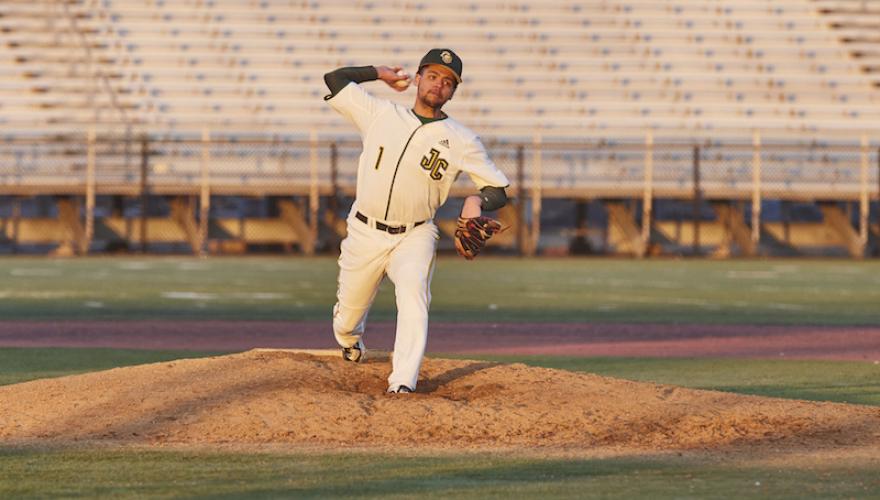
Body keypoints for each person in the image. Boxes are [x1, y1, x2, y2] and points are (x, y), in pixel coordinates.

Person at [323, 48, 509, 394]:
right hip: (364, 231)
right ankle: (350, 339)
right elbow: (335, 80)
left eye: (448, 82)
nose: (439, 84)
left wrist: (474, 201)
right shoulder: (380, 114)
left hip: (415, 234)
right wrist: (379, 73)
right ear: (418, 78)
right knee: (346, 321)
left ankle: (403, 381)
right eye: (433, 76)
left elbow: (497, 189)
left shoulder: (462, 139)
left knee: (413, 294)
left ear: (453, 92)